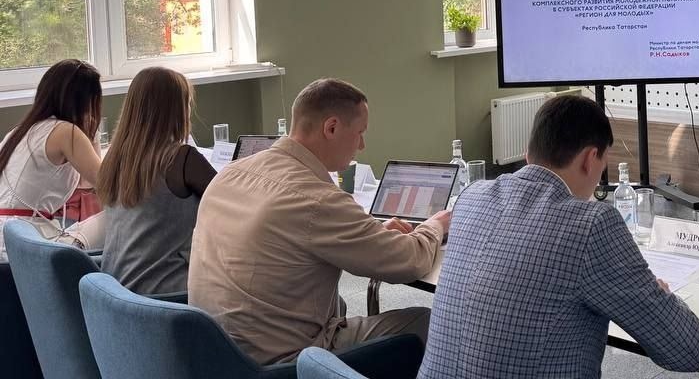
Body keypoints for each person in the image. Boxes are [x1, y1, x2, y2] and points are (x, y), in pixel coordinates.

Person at [417, 94, 699, 379]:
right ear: (590, 159)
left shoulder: (471, 197)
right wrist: (662, 296)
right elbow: (686, 351)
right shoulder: (591, 224)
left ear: (528, 154)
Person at [188, 78, 449, 365]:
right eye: (360, 132)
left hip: (215, 354)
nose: (362, 145)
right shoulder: (316, 199)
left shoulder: (230, 174)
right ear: (332, 128)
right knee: (426, 322)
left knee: (340, 304)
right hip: (283, 363)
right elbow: (409, 261)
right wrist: (435, 225)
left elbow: (283, 242)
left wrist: (371, 236)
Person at [98, 67, 214, 295]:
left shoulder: (114, 158)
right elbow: (231, 200)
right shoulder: (181, 158)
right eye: (187, 103)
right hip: (165, 294)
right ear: (175, 110)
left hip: (117, 294)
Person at [0, 59, 106, 260]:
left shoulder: (19, 132)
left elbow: (87, 182)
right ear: (86, 103)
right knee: (118, 216)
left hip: (12, 239)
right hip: (27, 244)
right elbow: (107, 184)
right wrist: (92, 135)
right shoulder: (67, 132)